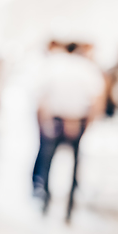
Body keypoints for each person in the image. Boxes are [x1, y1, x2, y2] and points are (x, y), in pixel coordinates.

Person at [32, 41, 106, 222]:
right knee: (74, 166)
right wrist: (88, 123)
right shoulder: (87, 68)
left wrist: (43, 122)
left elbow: (41, 97)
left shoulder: (54, 65)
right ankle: (69, 209)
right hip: (76, 120)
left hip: (56, 119)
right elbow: (97, 99)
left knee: (48, 163)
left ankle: (45, 201)